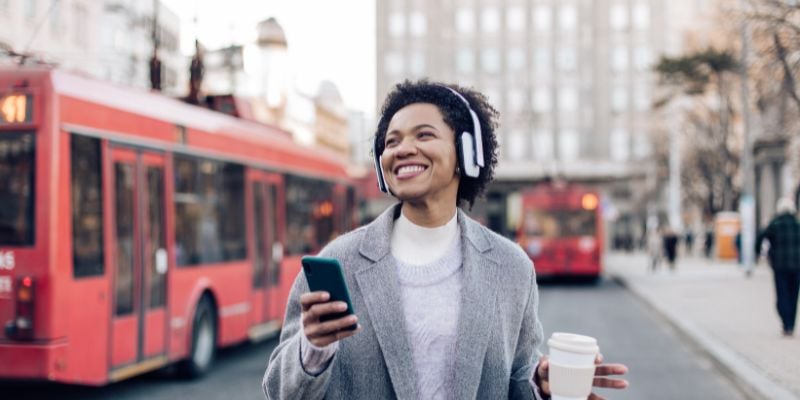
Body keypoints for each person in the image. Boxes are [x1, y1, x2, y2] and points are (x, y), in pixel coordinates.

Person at [263, 81, 628, 398]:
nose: (403, 149)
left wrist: (540, 384)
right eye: (392, 142)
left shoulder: (511, 267)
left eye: (424, 135)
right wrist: (312, 349)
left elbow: (518, 377)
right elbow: (279, 392)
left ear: (466, 154)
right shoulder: (340, 261)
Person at [756, 197, 800, 337]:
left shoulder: (775, 223)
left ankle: (785, 321)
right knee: (794, 295)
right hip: (797, 265)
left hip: (779, 265)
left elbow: (760, 237)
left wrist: (759, 253)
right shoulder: (797, 224)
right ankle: (790, 326)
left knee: (782, 294)